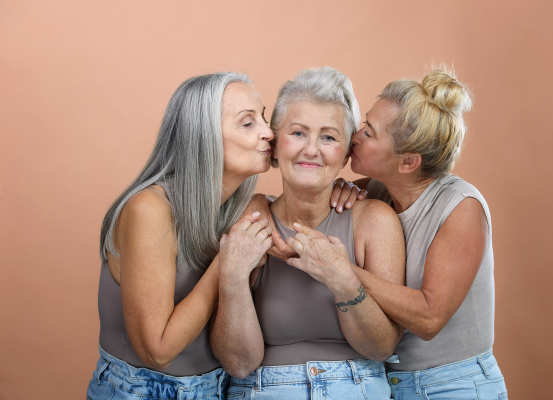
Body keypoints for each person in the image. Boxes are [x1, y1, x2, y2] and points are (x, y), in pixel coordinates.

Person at [211, 67, 406, 399]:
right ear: (274, 145)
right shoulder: (248, 220)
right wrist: (231, 275)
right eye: (298, 133)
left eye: (328, 137)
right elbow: (238, 363)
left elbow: (381, 348)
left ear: (347, 153)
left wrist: (341, 278)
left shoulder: (374, 220)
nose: (311, 150)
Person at [317, 67, 507, 399]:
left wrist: (342, 270)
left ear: (408, 162)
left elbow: (429, 317)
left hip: (456, 385)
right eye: (363, 125)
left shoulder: (461, 206)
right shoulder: (374, 191)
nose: (355, 137)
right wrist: (340, 187)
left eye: (370, 133)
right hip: (388, 383)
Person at [86, 72, 275, 400]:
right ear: (202, 137)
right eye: (248, 123)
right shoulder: (150, 209)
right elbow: (157, 350)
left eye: (264, 117)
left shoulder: (233, 210)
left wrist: (348, 189)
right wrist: (227, 261)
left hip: (217, 388)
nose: (268, 132)